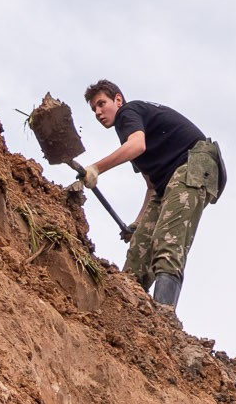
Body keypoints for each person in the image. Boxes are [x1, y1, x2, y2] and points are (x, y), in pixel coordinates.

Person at [78, 82, 226, 310]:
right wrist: (137, 223)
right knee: (139, 251)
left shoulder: (129, 113)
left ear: (118, 100)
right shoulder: (128, 131)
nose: (98, 112)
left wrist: (96, 168)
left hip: (193, 164)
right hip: (165, 182)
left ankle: (164, 319)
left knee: (168, 241)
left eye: (101, 104)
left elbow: (137, 146)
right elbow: (151, 185)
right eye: (94, 109)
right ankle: (127, 312)